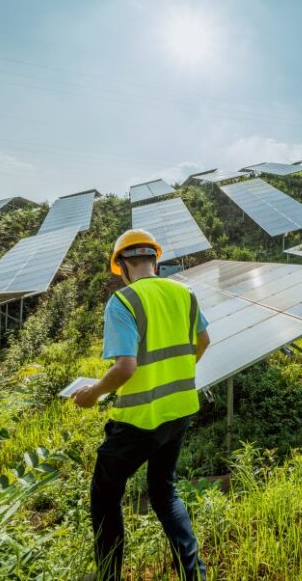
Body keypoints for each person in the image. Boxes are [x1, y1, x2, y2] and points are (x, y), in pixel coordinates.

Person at [71, 229, 209, 581]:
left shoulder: (124, 301)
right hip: (179, 410)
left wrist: (94, 392)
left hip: (139, 419)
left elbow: (126, 367)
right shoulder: (184, 292)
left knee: (105, 495)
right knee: (163, 491)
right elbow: (204, 340)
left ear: (122, 265)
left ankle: (108, 575)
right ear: (155, 260)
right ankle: (194, 575)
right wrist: (177, 373)